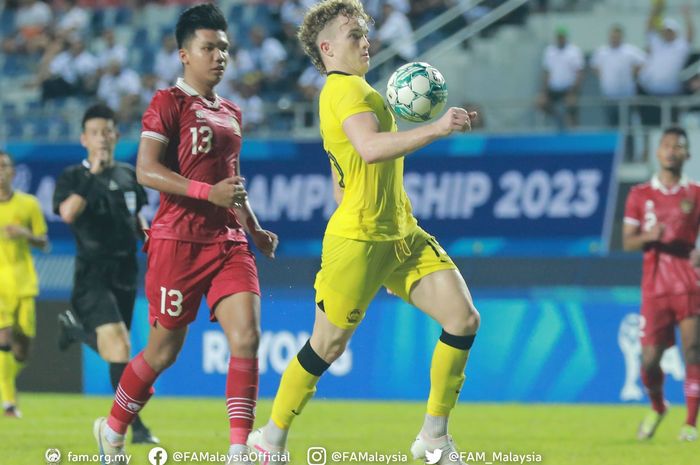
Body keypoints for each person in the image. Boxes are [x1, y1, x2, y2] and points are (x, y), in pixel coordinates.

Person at [248, 1, 480, 463]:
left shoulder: (358, 91)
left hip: (400, 235)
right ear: (328, 48)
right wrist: (436, 128)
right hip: (358, 242)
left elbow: (342, 178)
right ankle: (269, 437)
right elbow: (371, 149)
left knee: (463, 319)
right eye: (354, 35)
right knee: (326, 347)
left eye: (365, 34)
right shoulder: (343, 90)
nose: (365, 41)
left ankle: (433, 435)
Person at [91, 4, 278, 465]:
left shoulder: (233, 112)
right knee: (163, 350)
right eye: (208, 47)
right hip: (177, 241)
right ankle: (113, 428)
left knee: (248, 337)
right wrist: (205, 191)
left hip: (228, 241)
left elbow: (231, 180)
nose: (219, 56)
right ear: (183, 54)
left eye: (224, 48)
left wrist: (253, 226)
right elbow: (146, 170)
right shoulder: (166, 104)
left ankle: (239, 450)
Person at [52, 104, 157, 444]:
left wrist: (148, 235)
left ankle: (76, 332)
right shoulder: (73, 177)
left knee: (118, 353)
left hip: (126, 272)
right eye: (95, 132)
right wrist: (92, 176)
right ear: (84, 139)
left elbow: (137, 216)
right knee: (120, 348)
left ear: (116, 135)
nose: (102, 138)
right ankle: (135, 429)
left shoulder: (129, 174)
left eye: (107, 131)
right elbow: (68, 213)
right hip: (92, 274)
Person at [623, 126, 700, 442]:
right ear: (658, 151)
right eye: (667, 145)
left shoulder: (695, 193)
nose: (671, 151)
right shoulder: (640, 194)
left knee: (693, 350)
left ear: (687, 154)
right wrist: (647, 237)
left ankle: (690, 425)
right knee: (649, 360)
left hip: (688, 284)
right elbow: (627, 242)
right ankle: (658, 406)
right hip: (654, 287)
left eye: (678, 146)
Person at [0, 150, 49, 418]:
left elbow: (45, 242)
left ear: (13, 172)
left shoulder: (28, 204)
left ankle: (4, 378)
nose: (0, 172)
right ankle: (9, 403)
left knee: (21, 349)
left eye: (4, 166)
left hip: (24, 283)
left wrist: (25, 234)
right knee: (3, 337)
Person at [590, 24, 646, 126]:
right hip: (609, 97)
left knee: (628, 126)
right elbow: (594, 66)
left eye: (617, 36)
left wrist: (634, 73)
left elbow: (644, 61)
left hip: (626, 97)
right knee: (611, 125)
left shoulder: (630, 51)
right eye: (613, 36)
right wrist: (604, 76)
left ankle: (629, 143)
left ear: (621, 37)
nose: (614, 39)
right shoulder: (602, 52)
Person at [536, 27, 584, 129]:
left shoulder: (574, 51)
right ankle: (558, 117)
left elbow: (579, 73)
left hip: (569, 88)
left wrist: (574, 90)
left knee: (571, 103)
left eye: (562, 37)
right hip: (554, 88)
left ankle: (574, 128)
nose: (560, 39)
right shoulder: (549, 51)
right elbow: (546, 72)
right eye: (558, 37)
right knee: (540, 103)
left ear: (566, 38)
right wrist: (543, 91)